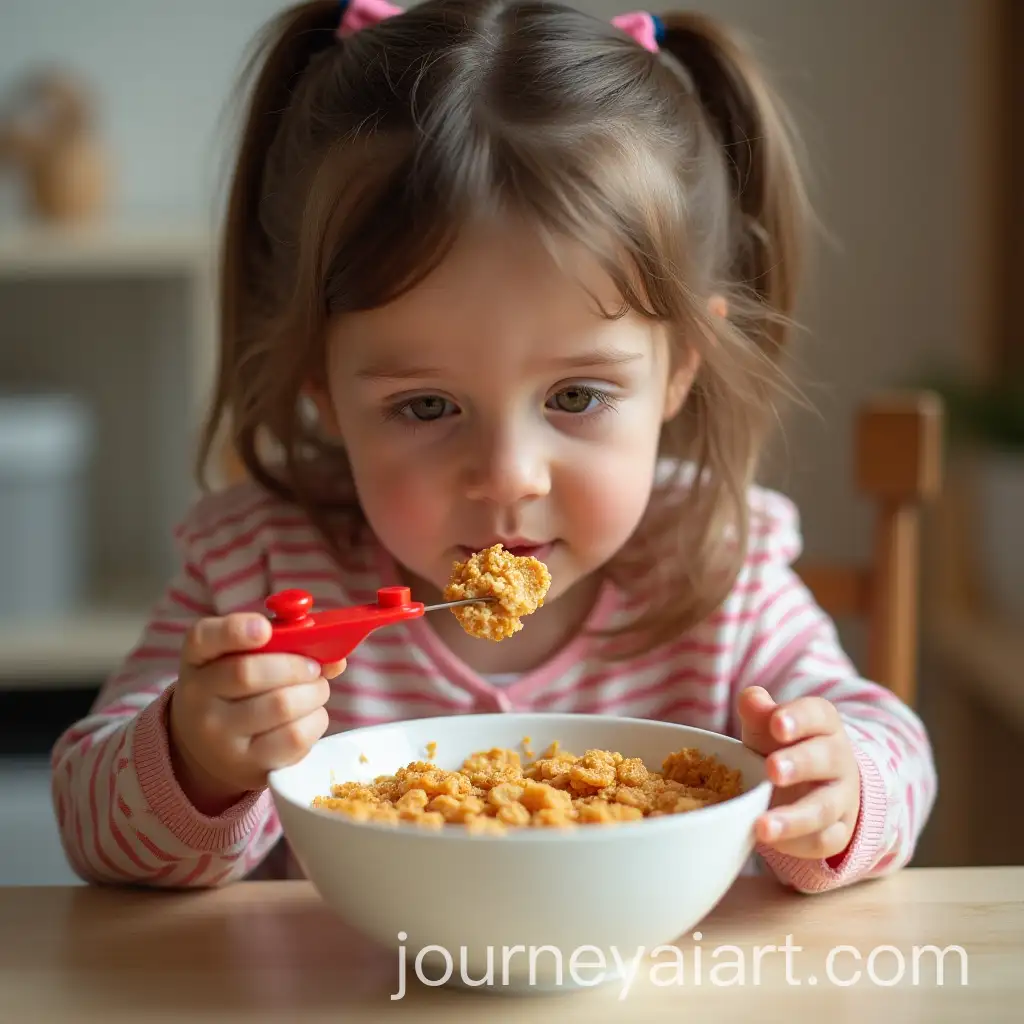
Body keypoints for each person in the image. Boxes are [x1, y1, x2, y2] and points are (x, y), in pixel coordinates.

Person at [50, 0, 935, 893]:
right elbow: (90, 824)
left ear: (678, 369)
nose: (509, 476)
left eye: (576, 396)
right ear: (322, 385)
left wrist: (835, 790)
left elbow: (893, 751)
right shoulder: (260, 574)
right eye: (427, 405)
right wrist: (197, 761)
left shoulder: (718, 571)